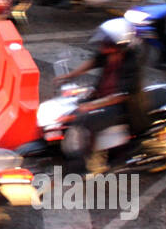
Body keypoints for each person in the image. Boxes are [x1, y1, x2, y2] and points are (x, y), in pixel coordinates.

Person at [56, 17, 148, 173]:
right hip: (103, 96)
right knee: (70, 110)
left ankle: (93, 160)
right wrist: (70, 75)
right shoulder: (109, 53)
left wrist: (93, 105)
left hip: (122, 106)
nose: (101, 45)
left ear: (117, 45)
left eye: (106, 42)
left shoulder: (132, 63)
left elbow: (122, 94)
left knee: (87, 121)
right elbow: (93, 61)